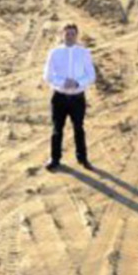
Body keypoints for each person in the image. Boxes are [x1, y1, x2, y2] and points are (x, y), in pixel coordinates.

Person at [43, 23, 96, 171]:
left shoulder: (84, 53)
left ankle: (83, 158)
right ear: (62, 35)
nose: (70, 36)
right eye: (67, 34)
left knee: (79, 128)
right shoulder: (54, 53)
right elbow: (47, 76)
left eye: (72, 34)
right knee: (57, 129)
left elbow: (91, 75)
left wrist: (78, 83)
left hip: (78, 98)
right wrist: (63, 83)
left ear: (76, 35)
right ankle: (54, 159)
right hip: (59, 97)